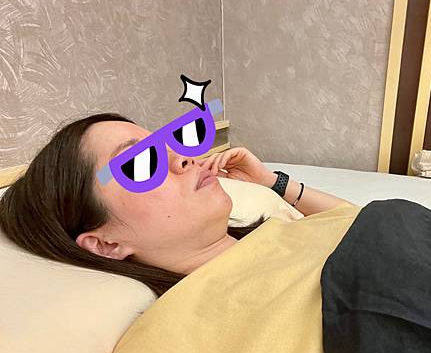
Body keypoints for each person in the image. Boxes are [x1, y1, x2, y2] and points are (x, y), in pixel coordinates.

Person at [0, 113, 353, 297]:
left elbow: (357, 222)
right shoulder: (200, 320)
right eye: (142, 164)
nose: (183, 158)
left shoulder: (272, 230)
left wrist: (273, 183)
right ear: (105, 244)